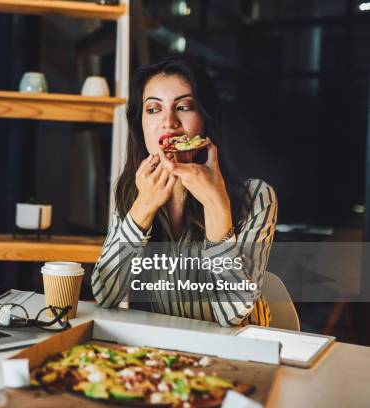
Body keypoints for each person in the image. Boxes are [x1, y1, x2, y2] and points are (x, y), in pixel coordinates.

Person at [91, 57, 276, 327]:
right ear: (140, 124)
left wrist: (216, 206)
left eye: (184, 107)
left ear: (205, 119)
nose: (169, 122)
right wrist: (143, 207)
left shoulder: (257, 196)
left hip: (241, 353)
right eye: (153, 109)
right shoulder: (133, 192)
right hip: (164, 354)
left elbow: (232, 315)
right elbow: (105, 295)